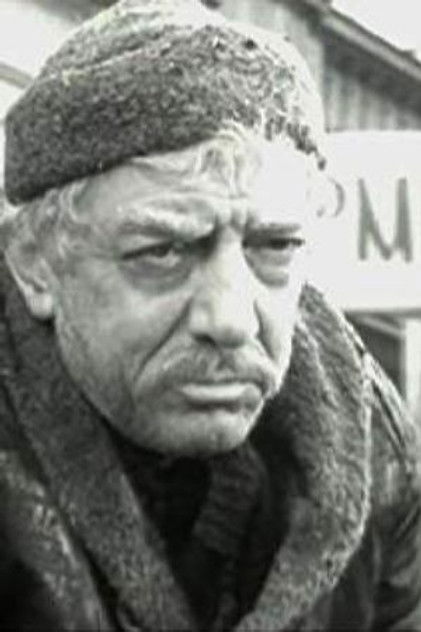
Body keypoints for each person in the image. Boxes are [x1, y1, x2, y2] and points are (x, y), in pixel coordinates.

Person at [0, 0, 420, 630]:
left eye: (274, 247)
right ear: (35, 264)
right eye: (162, 251)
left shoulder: (374, 448)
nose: (232, 319)